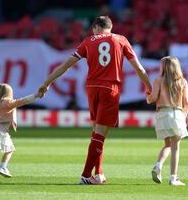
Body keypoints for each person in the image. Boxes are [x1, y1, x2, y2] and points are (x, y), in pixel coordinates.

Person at [37, 16, 152, 184]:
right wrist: (148, 87)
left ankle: (98, 174)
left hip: (91, 88)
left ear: (97, 27)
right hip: (110, 88)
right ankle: (85, 175)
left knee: (97, 132)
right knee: (100, 134)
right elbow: (139, 68)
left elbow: (65, 66)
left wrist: (46, 83)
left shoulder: (88, 41)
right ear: (109, 27)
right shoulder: (121, 39)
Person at [146, 56, 188, 186]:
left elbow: (152, 98)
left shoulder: (158, 80)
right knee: (175, 148)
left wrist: (147, 97)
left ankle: (158, 165)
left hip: (161, 114)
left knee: (167, 145)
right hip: (176, 113)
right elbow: (186, 102)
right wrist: (183, 118)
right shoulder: (182, 82)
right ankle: (173, 178)